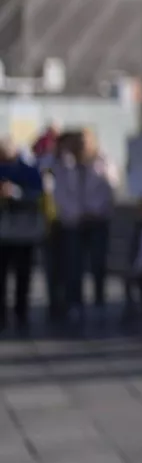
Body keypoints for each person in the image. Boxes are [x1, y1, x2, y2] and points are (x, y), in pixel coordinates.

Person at [47, 129, 118, 321]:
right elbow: (59, 193)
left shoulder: (103, 162)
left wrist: (95, 210)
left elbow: (110, 189)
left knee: (98, 263)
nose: (82, 146)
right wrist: (74, 214)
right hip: (73, 222)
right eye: (79, 142)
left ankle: (99, 301)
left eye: (86, 142)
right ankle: (75, 303)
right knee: (73, 265)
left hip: (97, 220)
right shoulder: (63, 164)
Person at [0, 139, 45, 332]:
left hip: (23, 231)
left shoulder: (28, 170)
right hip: (3, 232)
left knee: (23, 274)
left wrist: (16, 193)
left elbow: (37, 194)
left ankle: (21, 311)